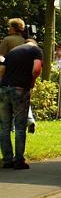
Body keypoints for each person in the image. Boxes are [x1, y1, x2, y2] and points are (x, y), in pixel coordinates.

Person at [0, 39, 43, 169]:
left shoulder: (12, 52)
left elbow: (1, 70)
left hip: (3, 90)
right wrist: (32, 82)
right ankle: (19, 160)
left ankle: (7, 160)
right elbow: (36, 69)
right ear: (34, 43)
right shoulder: (36, 50)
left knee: (4, 127)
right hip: (20, 90)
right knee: (19, 127)